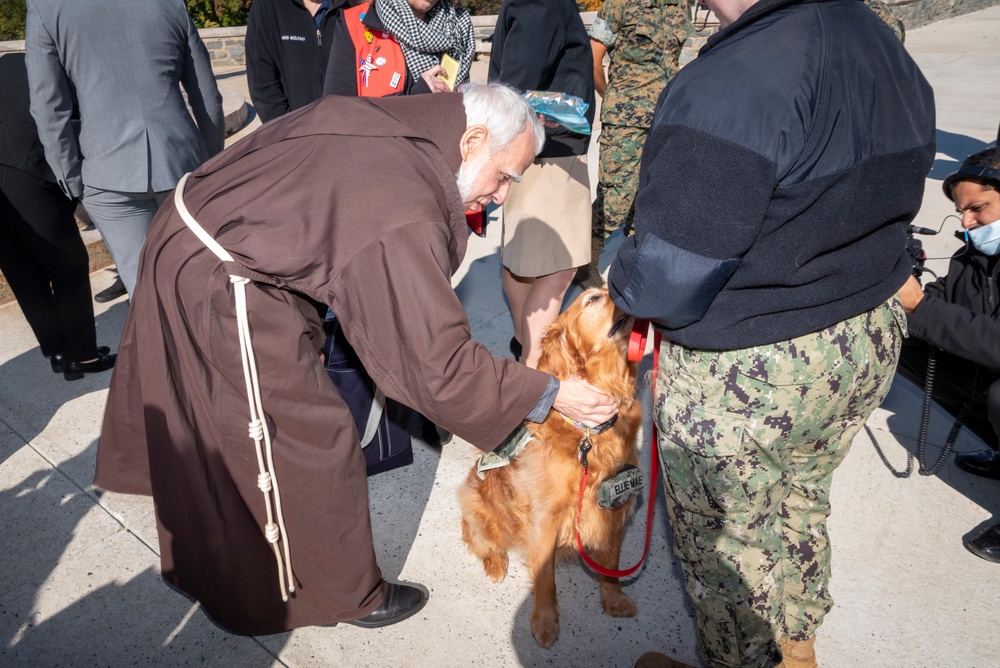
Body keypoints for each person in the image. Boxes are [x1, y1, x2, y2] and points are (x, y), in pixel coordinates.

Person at [93, 83, 619, 635]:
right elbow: (434, 362)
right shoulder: (400, 202)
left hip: (207, 241)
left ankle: (239, 572)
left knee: (241, 432)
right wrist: (549, 392)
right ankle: (332, 596)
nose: (503, 196)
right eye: (506, 176)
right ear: (473, 140)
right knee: (302, 440)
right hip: (223, 279)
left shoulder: (413, 128)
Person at [606, 0, 935, 665]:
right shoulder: (873, 34)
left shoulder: (731, 80)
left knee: (729, 546)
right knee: (801, 504)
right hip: (860, 337)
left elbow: (667, 279)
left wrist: (621, 273)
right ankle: (798, 649)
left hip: (752, 370)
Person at [25, 0, 225, 301]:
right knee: (204, 281)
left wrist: (74, 181)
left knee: (146, 295)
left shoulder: (47, 7)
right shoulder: (169, 3)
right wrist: (207, 167)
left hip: (108, 175)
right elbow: (208, 99)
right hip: (182, 165)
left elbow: (48, 109)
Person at [898, 147, 1000, 565]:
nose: (966, 222)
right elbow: (948, 299)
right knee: (906, 345)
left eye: (978, 209)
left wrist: (921, 308)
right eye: (962, 211)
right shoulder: (974, 254)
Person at [488, 0, 596, 368]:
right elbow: (516, 84)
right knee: (558, 267)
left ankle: (524, 346)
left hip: (537, 150)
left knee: (524, 264)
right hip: (550, 153)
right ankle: (534, 378)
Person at [0, 53, 116, 381]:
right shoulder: (68, 70)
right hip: (25, 168)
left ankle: (57, 351)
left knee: (22, 270)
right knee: (70, 267)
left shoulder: (9, 60)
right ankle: (84, 357)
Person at [577, 0, 690, 288]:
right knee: (615, 197)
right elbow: (592, 58)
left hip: (665, 117)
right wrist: (616, 98)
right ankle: (583, 264)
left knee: (649, 195)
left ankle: (633, 264)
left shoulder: (679, 6)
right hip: (625, 120)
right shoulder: (619, 4)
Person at [323, 0, 475, 97]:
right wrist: (417, 95)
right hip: (378, 145)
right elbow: (337, 110)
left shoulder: (458, 27)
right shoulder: (355, 24)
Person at [245, 0, 354, 124]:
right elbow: (261, 80)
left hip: (345, 131)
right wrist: (287, 131)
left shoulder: (353, 5)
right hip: (291, 132)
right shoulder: (268, 6)